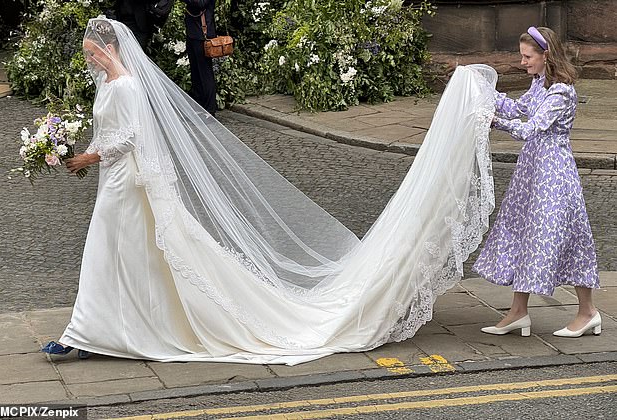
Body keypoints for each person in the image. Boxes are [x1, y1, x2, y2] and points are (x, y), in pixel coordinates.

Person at [42, 17, 499, 364]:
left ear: (110, 50)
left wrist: (88, 157)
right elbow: (110, 133)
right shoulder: (109, 87)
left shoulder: (125, 87)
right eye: (88, 57)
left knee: (111, 246)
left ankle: (84, 333)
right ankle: (109, 327)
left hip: (126, 179)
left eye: (94, 55)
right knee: (126, 252)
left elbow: (131, 138)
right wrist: (71, 151)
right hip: (118, 178)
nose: (91, 62)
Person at [474, 26, 600, 338]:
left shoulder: (561, 92)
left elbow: (533, 127)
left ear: (546, 55)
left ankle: (588, 312)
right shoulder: (539, 83)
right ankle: (518, 312)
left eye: (527, 56)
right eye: (521, 56)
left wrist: (495, 123)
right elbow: (518, 108)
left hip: (554, 175)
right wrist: (478, 88)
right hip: (531, 173)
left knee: (568, 238)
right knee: (523, 235)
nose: (522, 62)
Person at [182, 0, 217, 115]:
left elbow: (200, 3)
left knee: (205, 73)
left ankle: (209, 110)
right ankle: (199, 107)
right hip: (193, 33)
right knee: (196, 73)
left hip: (203, 34)